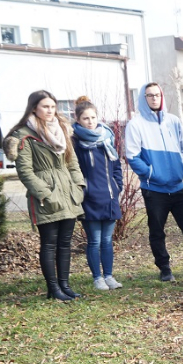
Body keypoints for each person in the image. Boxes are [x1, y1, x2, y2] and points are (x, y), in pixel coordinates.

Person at [5, 90, 86, 301]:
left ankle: (65, 286)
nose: (50, 111)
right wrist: (45, 194)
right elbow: (25, 171)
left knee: (65, 243)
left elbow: (72, 163)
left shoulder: (62, 131)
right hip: (46, 196)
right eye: (45, 107)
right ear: (34, 109)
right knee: (49, 242)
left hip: (68, 193)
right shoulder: (24, 136)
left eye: (52, 106)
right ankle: (53, 288)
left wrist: (78, 186)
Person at [124, 82, 183, 282]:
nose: (154, 98)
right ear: (143, 99)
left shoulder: (173, 121)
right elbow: (133, 156)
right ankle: (164, 268)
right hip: (154, 189)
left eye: (157, 95)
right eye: (149, 95)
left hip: (178, 187)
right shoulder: (136, 124)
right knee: (157, 231)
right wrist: (151, 173)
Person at [71, 98, 123, 292]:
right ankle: (97, 278)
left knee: (108, 241)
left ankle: (109, 276)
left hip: (109, 197)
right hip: (89, 199)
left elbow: (116, 165)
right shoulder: (75, 142)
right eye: (85, 118)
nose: (90, 122)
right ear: (78, 120)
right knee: (94, 241)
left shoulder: (106, 138)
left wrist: (118, 186)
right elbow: (72, 170)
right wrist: (83, 191)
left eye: (93, 117)